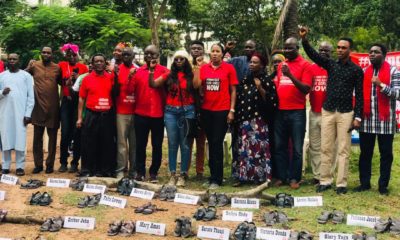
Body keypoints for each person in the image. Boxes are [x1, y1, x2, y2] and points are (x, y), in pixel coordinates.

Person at [300, 27, 363, 195]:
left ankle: (341, 183)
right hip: (327, 111)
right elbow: (313, 55)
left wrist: (357, 117)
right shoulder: (331, 64)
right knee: (325, 148)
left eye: (344, 48)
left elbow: (360, 94)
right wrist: (305, 40)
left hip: (345, 113)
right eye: (339, 47)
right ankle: (325, 180)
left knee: (343, 150)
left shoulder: (356, 70)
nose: (340, 50)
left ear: (350, 50)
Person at [354, 43, 400, 195]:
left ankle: (383, 186)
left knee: (386, 154)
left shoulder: (393, 71)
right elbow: (359, 97)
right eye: (370, 51)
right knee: (365, 154)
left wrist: (381, 85)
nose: (372, 54)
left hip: (385, 121)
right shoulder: (364, 71)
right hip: (367, 120)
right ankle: (365, 183)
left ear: (384, 55)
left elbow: (397, 94)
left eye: (376, 52)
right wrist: (358, 117)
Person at [194, 43, 238, 189]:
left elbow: (233, 90)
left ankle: (217, 179)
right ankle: (212, 175)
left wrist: (231, 110)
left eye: (217, 51)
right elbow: (197, 86)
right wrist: (198, 68)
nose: (214, 54)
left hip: (222, 110)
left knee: (216, 143)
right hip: (206, 110)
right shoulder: (204, 68)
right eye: (212, 51)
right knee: (211, 143)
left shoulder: (229, 68)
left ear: (221, 53)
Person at [149, 50, 196, 187]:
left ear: (186, 60)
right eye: (176, 59)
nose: (179, 61)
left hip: (187, 111)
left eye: (182, 59)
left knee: (185, 144)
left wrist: (197, 68)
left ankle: (183, 174)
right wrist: (151, 71)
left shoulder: (191, 75)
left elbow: (198, 86)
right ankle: (172, 174)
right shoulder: (169, 75)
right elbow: (153, 84)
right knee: (172, 143)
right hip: (170, 112)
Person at [232, 53, 278, 185]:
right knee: (243, 149)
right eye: (250, 62)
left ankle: (259, 177)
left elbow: (272, 102)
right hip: (243, 120)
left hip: (258, 121)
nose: (251, 64)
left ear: (262, 65)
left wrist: (260, 88)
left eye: (255, 62)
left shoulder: (267, 80)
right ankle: (243, 177)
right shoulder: (246, 79)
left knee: (257, 150)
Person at [273, 37, 312, 189]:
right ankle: (282, 177)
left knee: (296, 147)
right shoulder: (281, 65)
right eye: (285, 48)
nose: (287, 51)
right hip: (280, 112)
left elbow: (306, 89)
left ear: (298, 48)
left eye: (291, 48)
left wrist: (290, 75)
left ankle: (295, 178)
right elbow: (278, 85)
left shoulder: (305, 65)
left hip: (297, 112)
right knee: (279, 146)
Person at [132, 45, 169, 183]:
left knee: (157, 145)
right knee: (140, 144)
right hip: (140, 113)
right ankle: (140, 172)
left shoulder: (165, 71)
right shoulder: (137, 71)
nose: (149, 56)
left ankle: (154, 172)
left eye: (152, 54)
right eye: (146, 53)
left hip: (158, 114)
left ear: (158, 55)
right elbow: (131, 89)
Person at [76, 54, 117, 177]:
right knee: (89, 143)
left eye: (101, 61)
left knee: (106, 143)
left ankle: (104, 170)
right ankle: (88, 170)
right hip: (91, 115)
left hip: (107, 115)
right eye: (96, 61)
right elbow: (81, 99)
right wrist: (79, 118)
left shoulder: (110, 78)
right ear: (92, 64)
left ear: (105, 63)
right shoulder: (87, 79)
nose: (99, 63)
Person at [26, 47, 62, 174]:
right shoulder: (34, 65)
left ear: (52, 55)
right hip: (38, 107)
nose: (46, 54)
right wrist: (28, 66)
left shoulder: (57, 68)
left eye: (48, 52)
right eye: (44, 52)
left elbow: (62, 83)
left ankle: (50, 165)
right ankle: (38, 165)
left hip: (53, 108)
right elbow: (23, 76)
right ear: (40, 54)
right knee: (37, 138)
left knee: (52, 139)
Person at [0, 53, 35, 176]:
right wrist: (2, 92)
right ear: (7, 61)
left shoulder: (26, 76)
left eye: (14, 59)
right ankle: (5, 165)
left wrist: (28, 114)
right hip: (4, 113)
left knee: (20, 139)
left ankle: (20, 166)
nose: (12, 61)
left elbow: (31, 97)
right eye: (10, 59)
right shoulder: (2, 76)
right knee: (6, 139)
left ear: (19, 61)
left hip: (21, 114)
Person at [306, 42, 333, 185]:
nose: (323, 52)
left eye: (326, 50)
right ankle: (317, 175)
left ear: (331, 52)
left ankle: (327, 174)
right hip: (314, 112)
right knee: (315, 146)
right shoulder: (311, 68)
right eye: (320, 50)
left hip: (329, 112)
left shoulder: (334, 67)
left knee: (328, 146)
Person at [59, 43, 89, 173]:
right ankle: (63, 162)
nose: (71, 57)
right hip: (66, 102)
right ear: (65, 55)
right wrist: (65, 82)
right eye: (68, 55)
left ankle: (75, 162)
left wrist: (77, 79)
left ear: (77, 55)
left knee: (77, 134)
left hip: (78, 103)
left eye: (73, 55)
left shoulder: (83, 68)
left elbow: (86, 84)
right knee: (65, 133)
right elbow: (58, 80)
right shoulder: (61, 65)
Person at [115, 47, 137, 178]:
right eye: (124, 55)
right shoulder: (117, 69)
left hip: (136, 111)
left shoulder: (138, 70)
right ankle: (121, 169)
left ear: (133, 56)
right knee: (122, 143)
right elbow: (115, 91)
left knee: (134, 143)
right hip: (121, 111)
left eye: (128, 55)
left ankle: (133, 170)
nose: (126, 57)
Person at [188, 40, 207, 179]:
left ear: (203, 51)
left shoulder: (207, 65)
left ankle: (200, 171)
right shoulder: (185, 64)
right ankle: (185, 169)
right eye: (193, 48)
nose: (196, 51)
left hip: (203, 106)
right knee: (188, 140)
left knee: (201, 141)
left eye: (198, 48)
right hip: (188, 106)